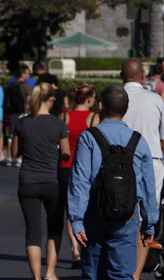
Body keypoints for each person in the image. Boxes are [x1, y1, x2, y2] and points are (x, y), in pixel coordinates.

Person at [68, 85, 159, 280]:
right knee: (122, 274)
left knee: (93, 273)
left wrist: (76, 220)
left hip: (95, 213)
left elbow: (80, 180)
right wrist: (149, 222)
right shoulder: (138, 141)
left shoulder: (89, 138)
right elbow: (147, 186)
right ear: (126, 109)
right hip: (127, 214)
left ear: (100, 106)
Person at [11, 82, 70, 280]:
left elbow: (14, 152)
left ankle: (35, 277)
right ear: (51, 99)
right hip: (51, 181)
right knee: (54, 229)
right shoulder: (58, 124)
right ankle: (50, 273)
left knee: (33, 232)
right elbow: (66, 154)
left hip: (27, 180)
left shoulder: (22, 123)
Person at [119, 58, 164, 278]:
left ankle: (121, 264)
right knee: (146, 219)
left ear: (121, 76)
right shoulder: (154, 99)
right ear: (142, 76)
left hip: (119, 162)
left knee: (120, 214)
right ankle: (136, 273)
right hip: (151, 160)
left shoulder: (115, 97)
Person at [61, 82, 99, 268]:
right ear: (90, 99)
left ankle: (74, 249)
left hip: (65, 166)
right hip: (86, 168)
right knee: (88, 208)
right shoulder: (93, 118)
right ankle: (86, 247)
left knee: (71, 210)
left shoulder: (65, 116)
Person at [5, 65, 33, 166]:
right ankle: (19, 158)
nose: (29, 75)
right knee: (22, 135)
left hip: (13, 112)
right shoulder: (25, 86)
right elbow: (29, 99)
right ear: (22, 74)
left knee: (11, 135)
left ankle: (9, 157)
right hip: (23, 112)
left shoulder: (11, 85)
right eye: (27, 73)